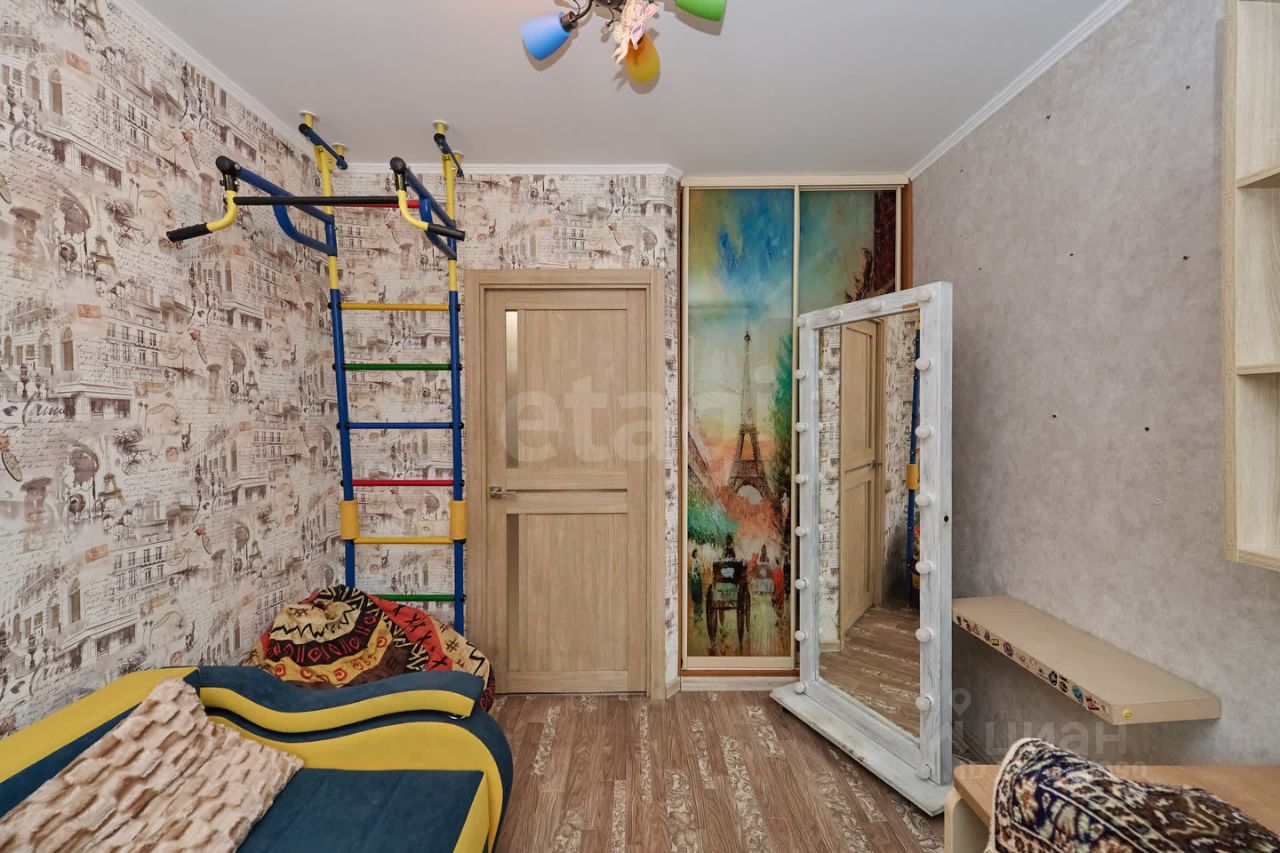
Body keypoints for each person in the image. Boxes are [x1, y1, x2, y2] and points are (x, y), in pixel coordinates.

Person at [689, 548, 703, 620]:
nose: (696, 554)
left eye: (697, 553)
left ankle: (699, 614)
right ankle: (696, 615)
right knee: (696, 597)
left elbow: (700, 569)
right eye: (695, 553)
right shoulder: (692, 561)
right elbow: (693, 571)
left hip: (698, 579)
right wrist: (695, 576)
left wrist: (700, 571)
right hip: (695, 580)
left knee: (699, 597)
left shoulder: (698, 560)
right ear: (693, 554)